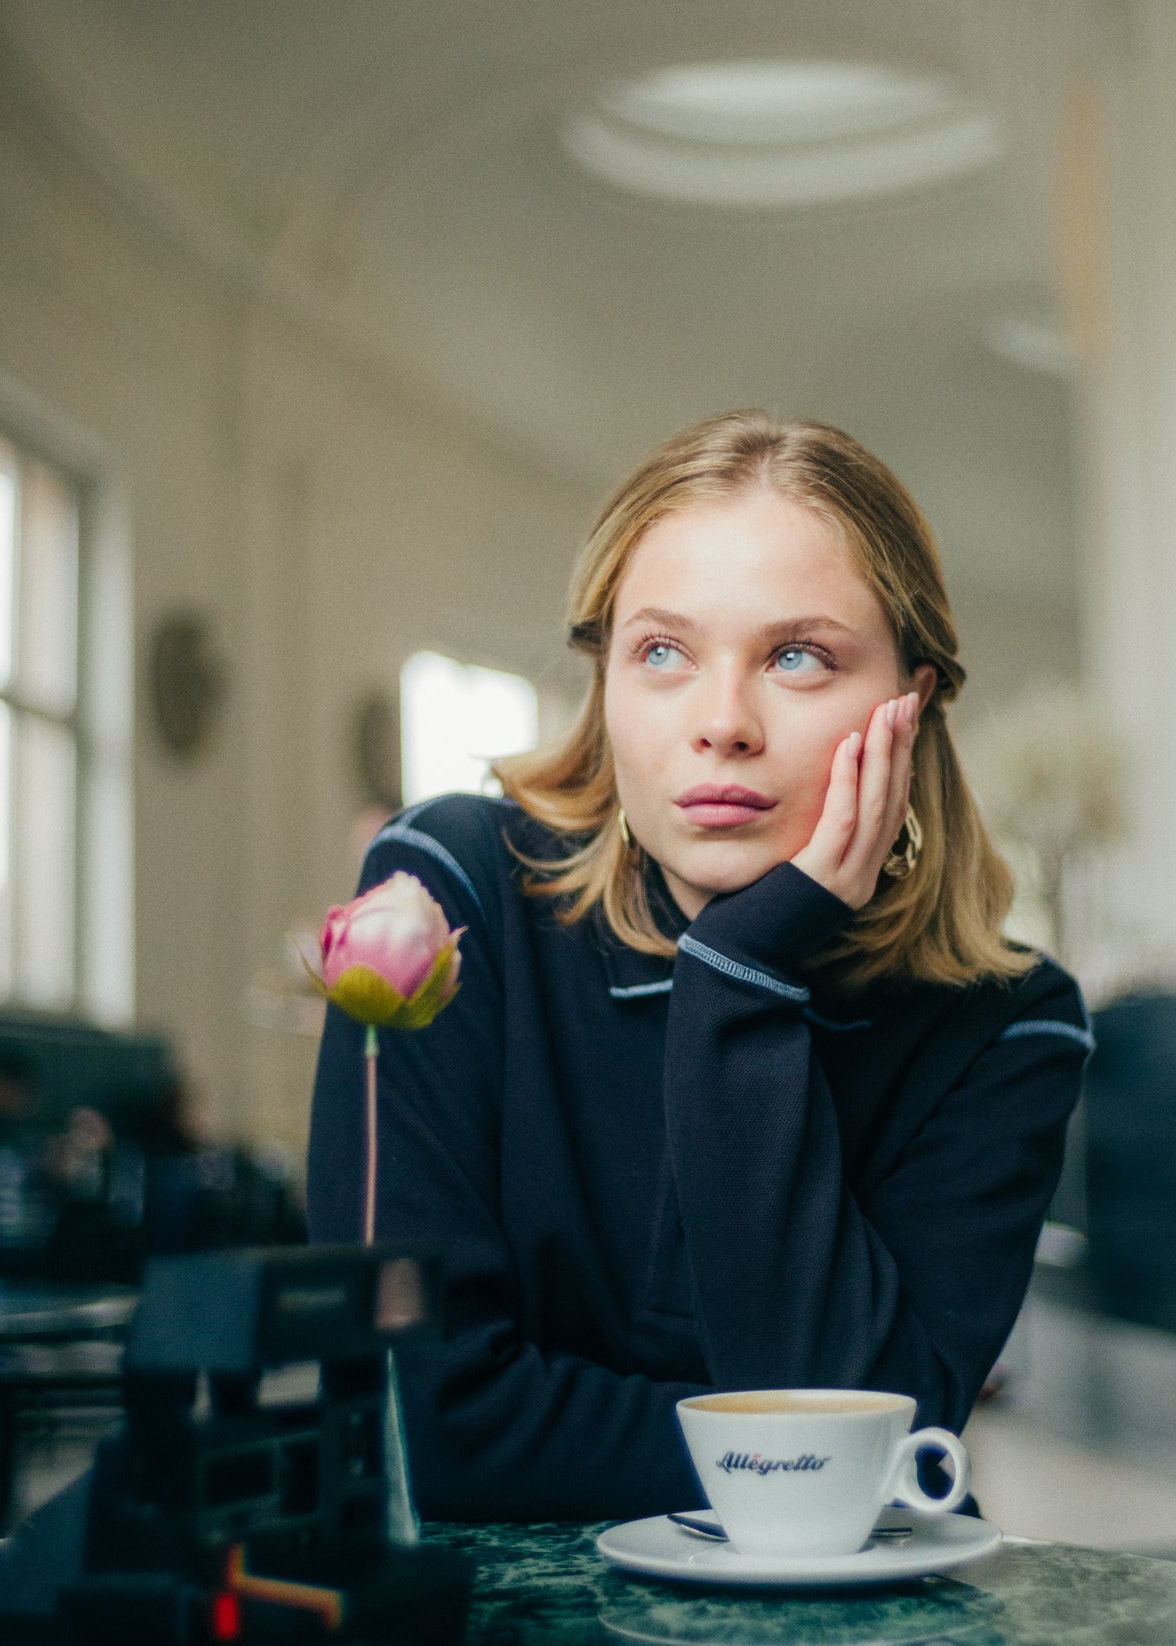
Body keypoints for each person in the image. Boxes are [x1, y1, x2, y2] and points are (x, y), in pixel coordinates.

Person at [306, 411, 1091, 1522]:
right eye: (664, 652)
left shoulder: (1008, 1026)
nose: (723, 722)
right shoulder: (451, 893)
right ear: (607, 680)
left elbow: (886, 1446)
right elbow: (421, 1428)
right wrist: (795, 1455)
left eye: (798, 656)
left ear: (911, 706)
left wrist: (740, 977)